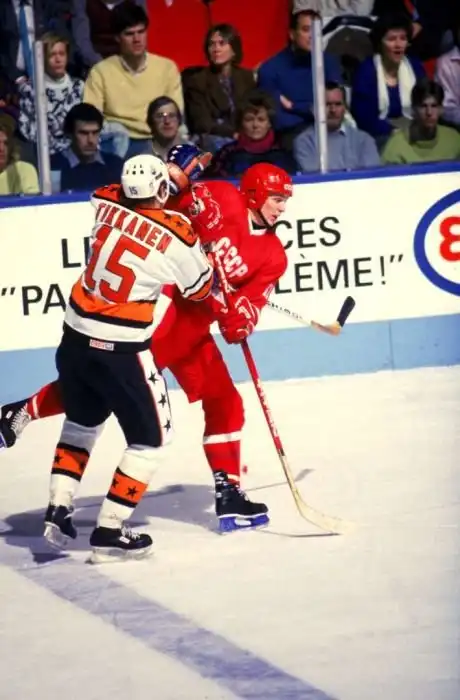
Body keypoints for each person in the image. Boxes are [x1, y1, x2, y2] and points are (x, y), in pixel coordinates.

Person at [0, 146, 293, 534]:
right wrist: (186, 192)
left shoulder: (274, 255)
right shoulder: (223, 196)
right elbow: (166, 204)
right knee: (104, 390)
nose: (282, 208)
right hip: (164, 316)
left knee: (225, 401)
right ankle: (25, 410)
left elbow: (245, 311)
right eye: (277, 199)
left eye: (285, 201)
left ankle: (228, 493)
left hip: (195, 332)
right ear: (254, 193)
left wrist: (241, 319)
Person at [42, 153, 214, 561]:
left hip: (75, 337)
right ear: (160, 188)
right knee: (151, 441)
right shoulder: (178, 234)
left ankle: (59, 507)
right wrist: (199, 240)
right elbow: (199, 289)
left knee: (81, 424)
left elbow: (120, 196)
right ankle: (109, 530)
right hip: (120, 350)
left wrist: (164, 194)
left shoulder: (103, 201)